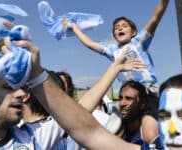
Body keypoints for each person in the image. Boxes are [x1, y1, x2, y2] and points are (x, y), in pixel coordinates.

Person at [0, 30, 151, 149]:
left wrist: (114, 68)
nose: (18, 93)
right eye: (7, 88)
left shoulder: (33, 136)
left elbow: (80, 112)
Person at [69, 0, 169, 143]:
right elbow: (90, 44)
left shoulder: (139, 42)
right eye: (116, 27)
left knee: (149, 130)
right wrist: (75, 28)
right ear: (114, 34)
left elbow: (155, 18)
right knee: (112, 131)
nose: (120, 28)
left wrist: (164, 3)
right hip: (126, 95)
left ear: (133, 32)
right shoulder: (112, 50)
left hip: (148, 93)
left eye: (124, 26)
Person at [117, 80, 160, 147]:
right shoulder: (117, 129)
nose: (122, 103)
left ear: (142, 104)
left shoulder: (148, 132)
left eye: (129, 98)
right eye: (120, 98)